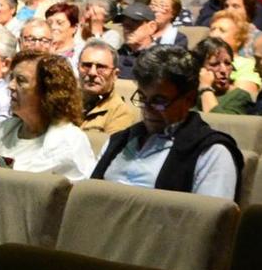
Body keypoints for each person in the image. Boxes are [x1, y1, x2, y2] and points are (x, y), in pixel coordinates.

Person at [91, 45, 243, 200]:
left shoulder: (212, 153)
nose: (148, 109)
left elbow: (207, 220)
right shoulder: (119, 141)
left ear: (189, 99)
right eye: (143, 98)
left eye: (159, 101)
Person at [0, 54, 95, 180]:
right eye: (12, 78)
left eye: (21, 81)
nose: (11, 86)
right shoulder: (3, 128)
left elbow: (34, 187)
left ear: (48, 92)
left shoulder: (69, 140)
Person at [77, 41, 139, 134]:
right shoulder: (65, 102)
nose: (92, 73)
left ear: (115, 75)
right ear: (78, 67)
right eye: (87, 65)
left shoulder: (120, 114)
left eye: (101, 67)